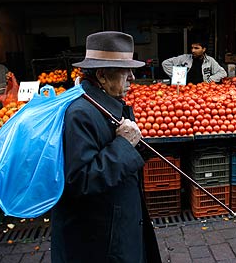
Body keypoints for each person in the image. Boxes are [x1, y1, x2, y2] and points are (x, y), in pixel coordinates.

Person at [51, 31, 162, 263]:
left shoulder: (105, 105)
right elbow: (79, 180)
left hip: (113, 226)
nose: (132, 77)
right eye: (125, 71)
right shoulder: (80, 114)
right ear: (102, 75)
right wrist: (123, 145)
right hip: (99, 240)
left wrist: (136, 147)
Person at [162, 38, 227, 84]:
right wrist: (176, 76)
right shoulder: (184, 58)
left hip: (203, 91)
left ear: (204, 49)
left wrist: (208, 81)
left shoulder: (210, 60)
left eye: (196, 48)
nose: (193, 50)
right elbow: (165, 63)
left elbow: (222, 73)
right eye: (192, 48)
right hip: (185, 90)